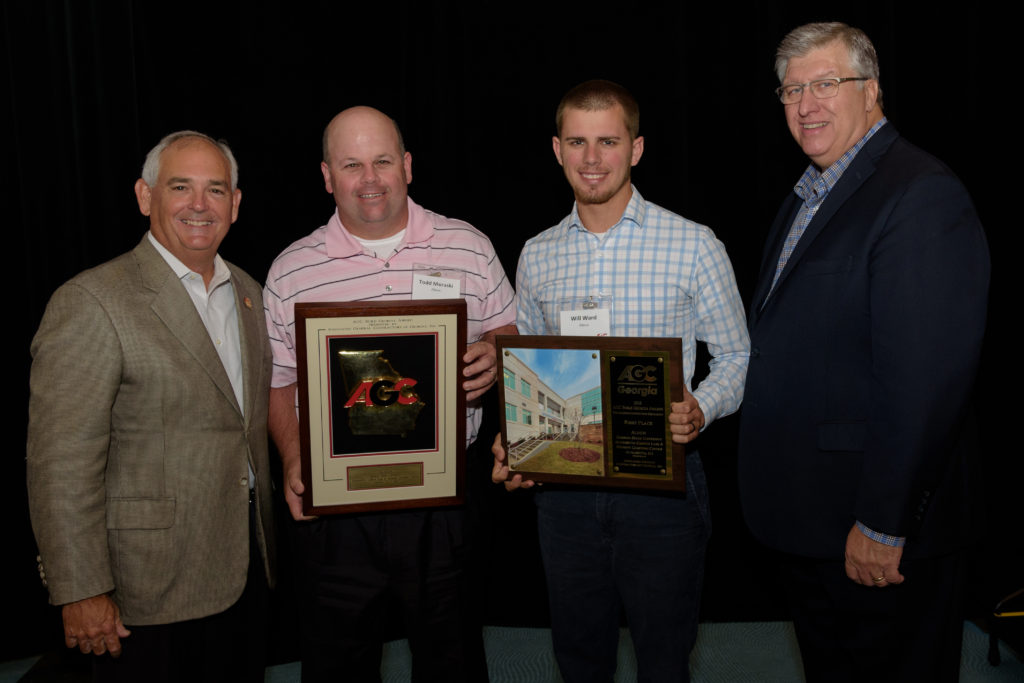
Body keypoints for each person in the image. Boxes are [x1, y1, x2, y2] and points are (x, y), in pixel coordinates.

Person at [738, 22, 990, 682]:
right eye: (792, 89)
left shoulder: (918, 193)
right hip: (814, 521)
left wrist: (882, 521)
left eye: (826, 83)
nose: (806, 103)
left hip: (875, 530)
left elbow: (925, 380)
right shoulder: (809, 195)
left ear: (872, 90)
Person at [492, 80, 749, 682]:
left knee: (664, 656)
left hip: (662, 489)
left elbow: (738, 356)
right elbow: (525, 369)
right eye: (577, 142)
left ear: (636, 148)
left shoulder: (693, 245)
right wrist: (516, 437)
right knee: (579, 656)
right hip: (565, 494)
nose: (591, 158)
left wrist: (701, 409)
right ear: (557, 149)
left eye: (608, 141)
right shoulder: (538, 254)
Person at [264, 106, 516, 682]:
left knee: (450, 656)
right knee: (337, 661)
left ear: (406, 165)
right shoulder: (290, 270)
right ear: (328, 176)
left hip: (444, 500)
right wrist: (292, 456)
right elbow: (280, 382)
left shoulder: (469, 245)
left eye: (381, 160)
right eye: (351, 164)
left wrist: (497, 356)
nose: (369, 178)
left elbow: (510, 330)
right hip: (337, 506)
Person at [27, 131, 275, 683]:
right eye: (180, 186)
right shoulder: (92, 301)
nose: (199, 204)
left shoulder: (251, 294)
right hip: (145, 593)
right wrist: (81, 588)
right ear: (145, 196)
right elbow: (61, 461)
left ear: (235, 205)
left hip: (243, 573)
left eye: (216, 190)